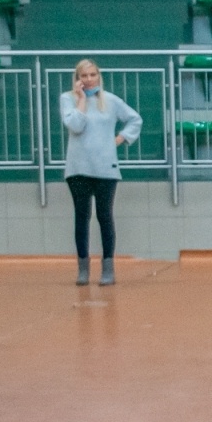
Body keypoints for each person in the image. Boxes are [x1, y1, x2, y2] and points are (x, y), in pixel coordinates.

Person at [60, 59, 141, 287]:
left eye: (92, 75)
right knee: (82, 217)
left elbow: (135, 119)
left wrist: (121, 138)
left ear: (99, 76)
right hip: (78, 168)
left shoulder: (111, 101)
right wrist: (82, 100)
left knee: (105, 216)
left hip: (105, 168)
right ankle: (83, 269)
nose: (89, 79)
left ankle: (108, 268)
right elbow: (76, 125)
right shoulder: (68, 99)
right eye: (84, 76)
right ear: (77, 79)